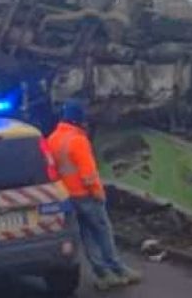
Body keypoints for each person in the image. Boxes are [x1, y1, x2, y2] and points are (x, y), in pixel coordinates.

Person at [46, 100, 142, 290]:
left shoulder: (52, 139)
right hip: (86, 195)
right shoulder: (78, 140)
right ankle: (118, 269)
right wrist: (99, 194)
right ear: (79, 120)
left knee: (86, 236)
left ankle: (103, 274)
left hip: (67, 197)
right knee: (102, 232)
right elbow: (88, 174)